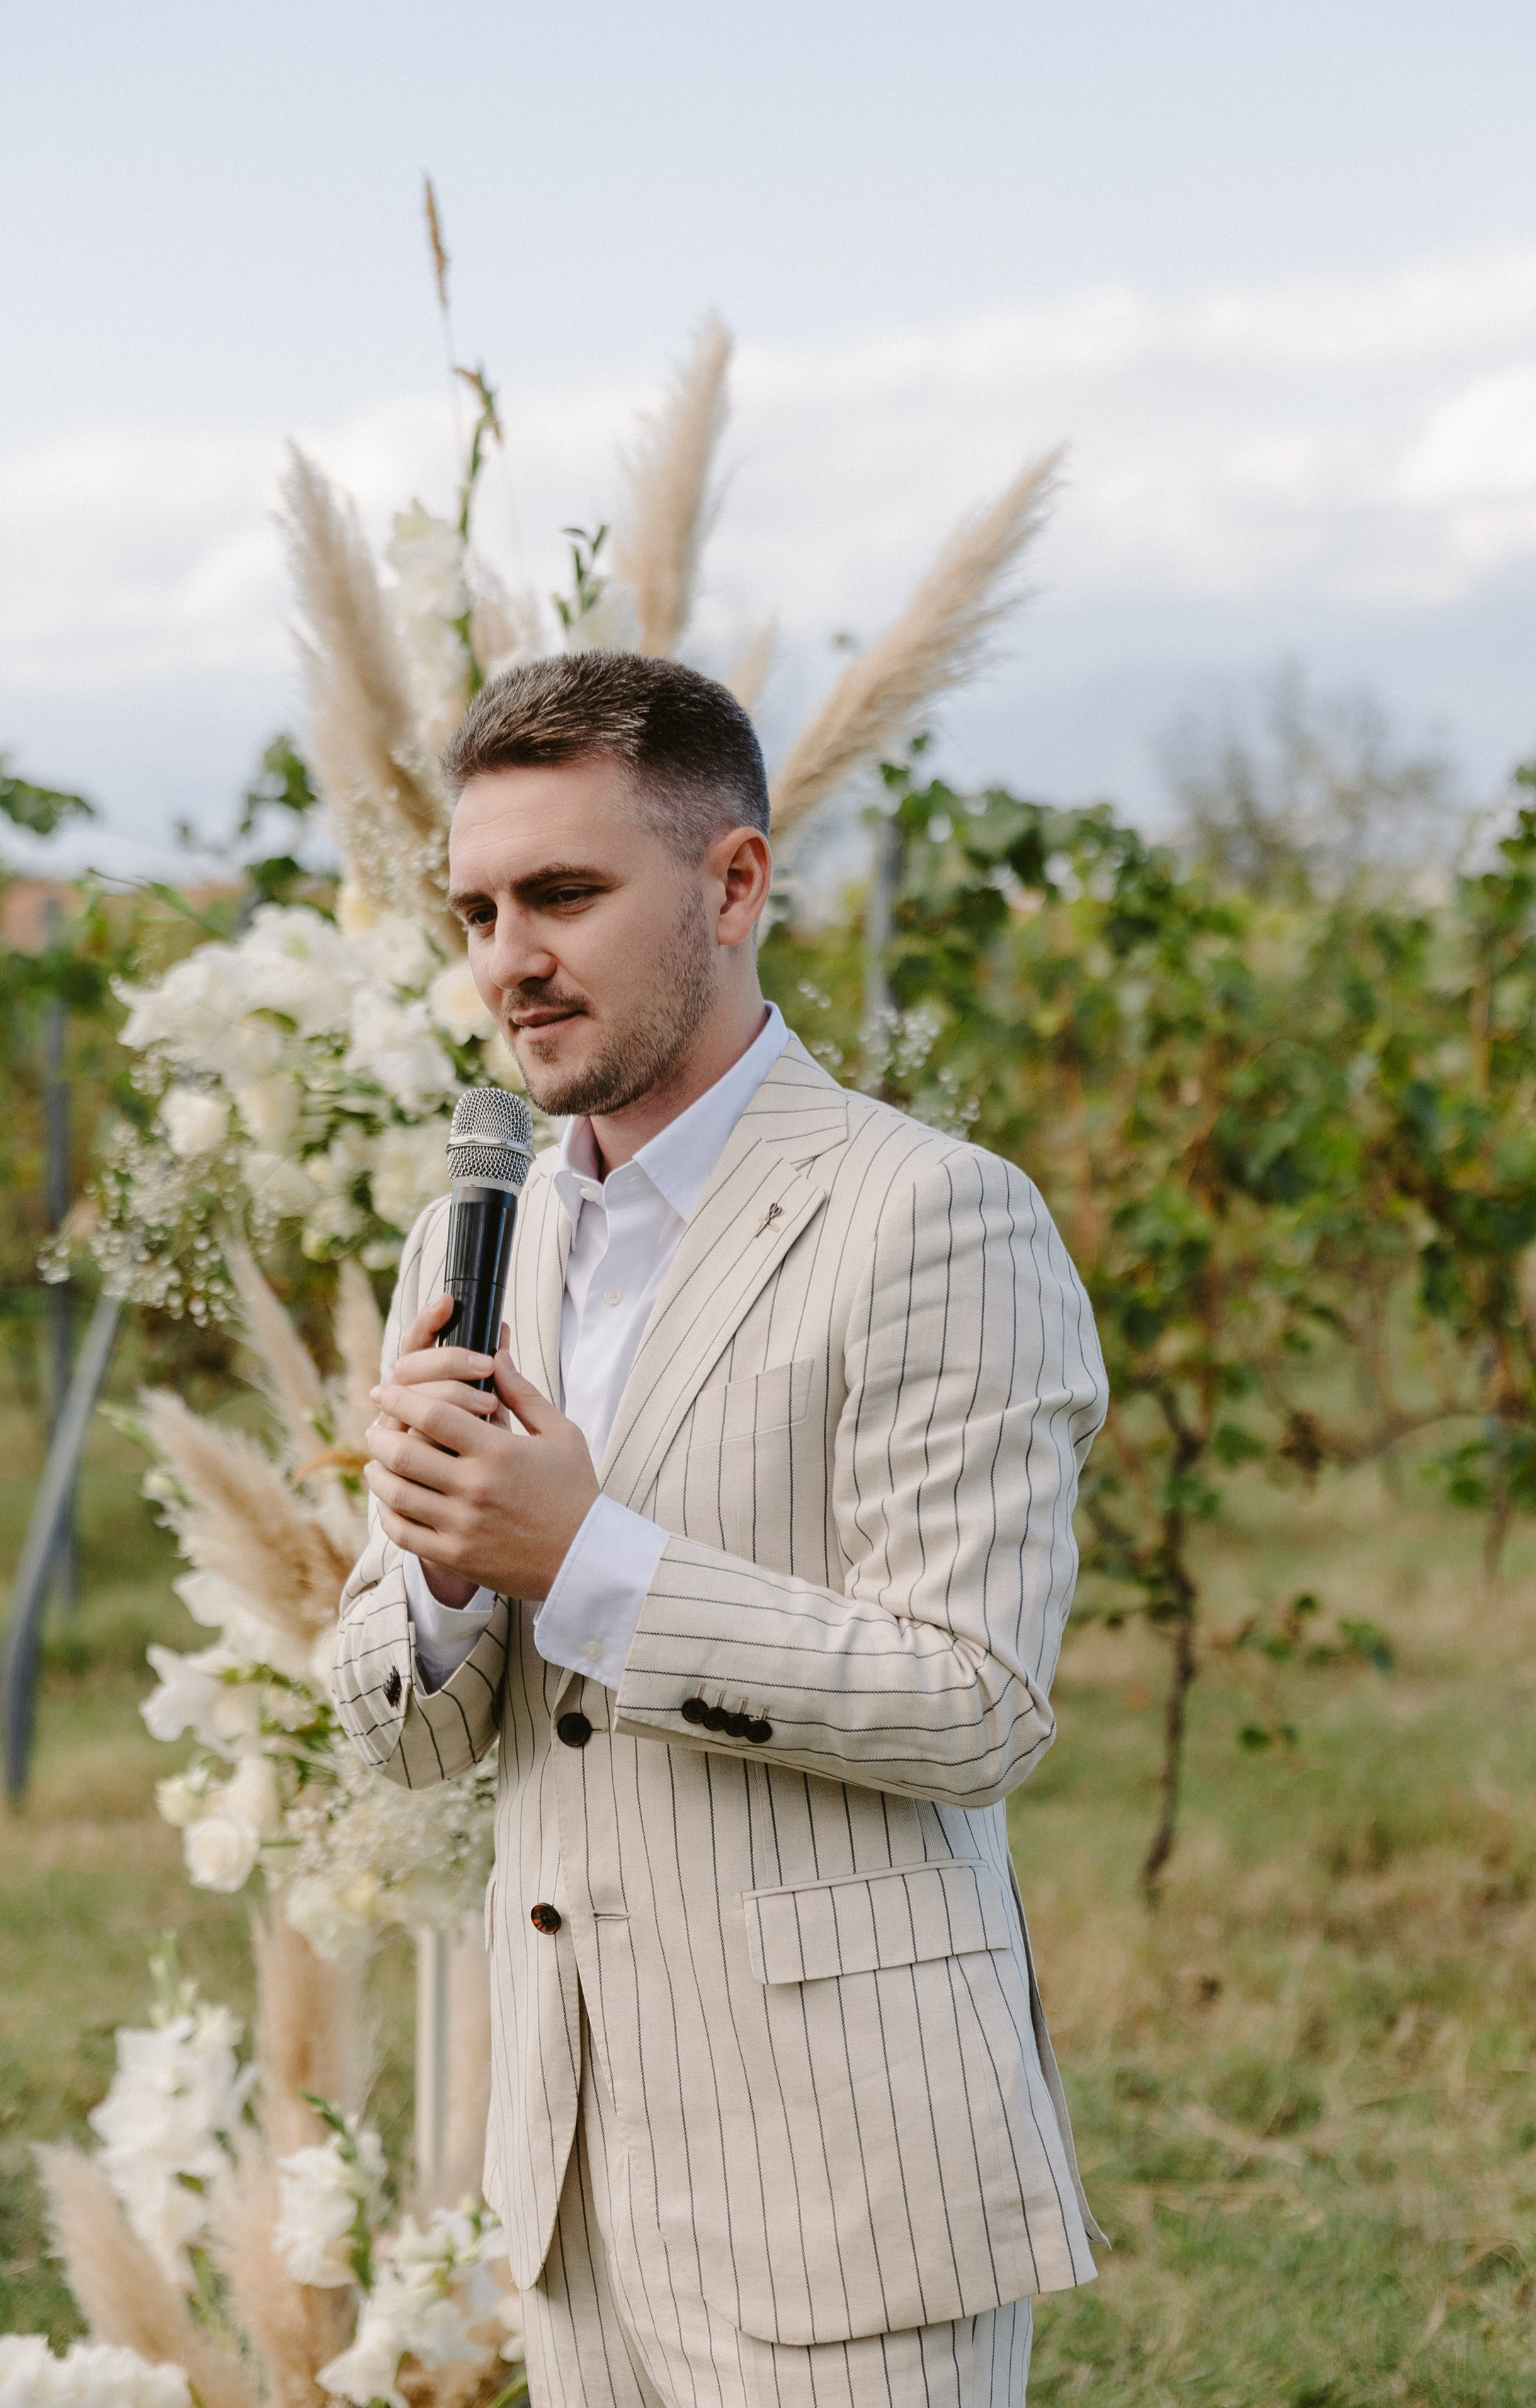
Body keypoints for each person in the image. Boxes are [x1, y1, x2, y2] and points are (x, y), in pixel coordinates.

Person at [332, 652, 1108, 2408]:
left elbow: (977, 1702)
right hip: (573, 2190)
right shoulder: (485, 1236)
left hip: (844, 2192)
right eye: (475, 909)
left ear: (736, 884)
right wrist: (446, 1577)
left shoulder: (932, 1220)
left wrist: (580, 1557)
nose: (508, 959)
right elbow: (410, 1735)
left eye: (564, 894)